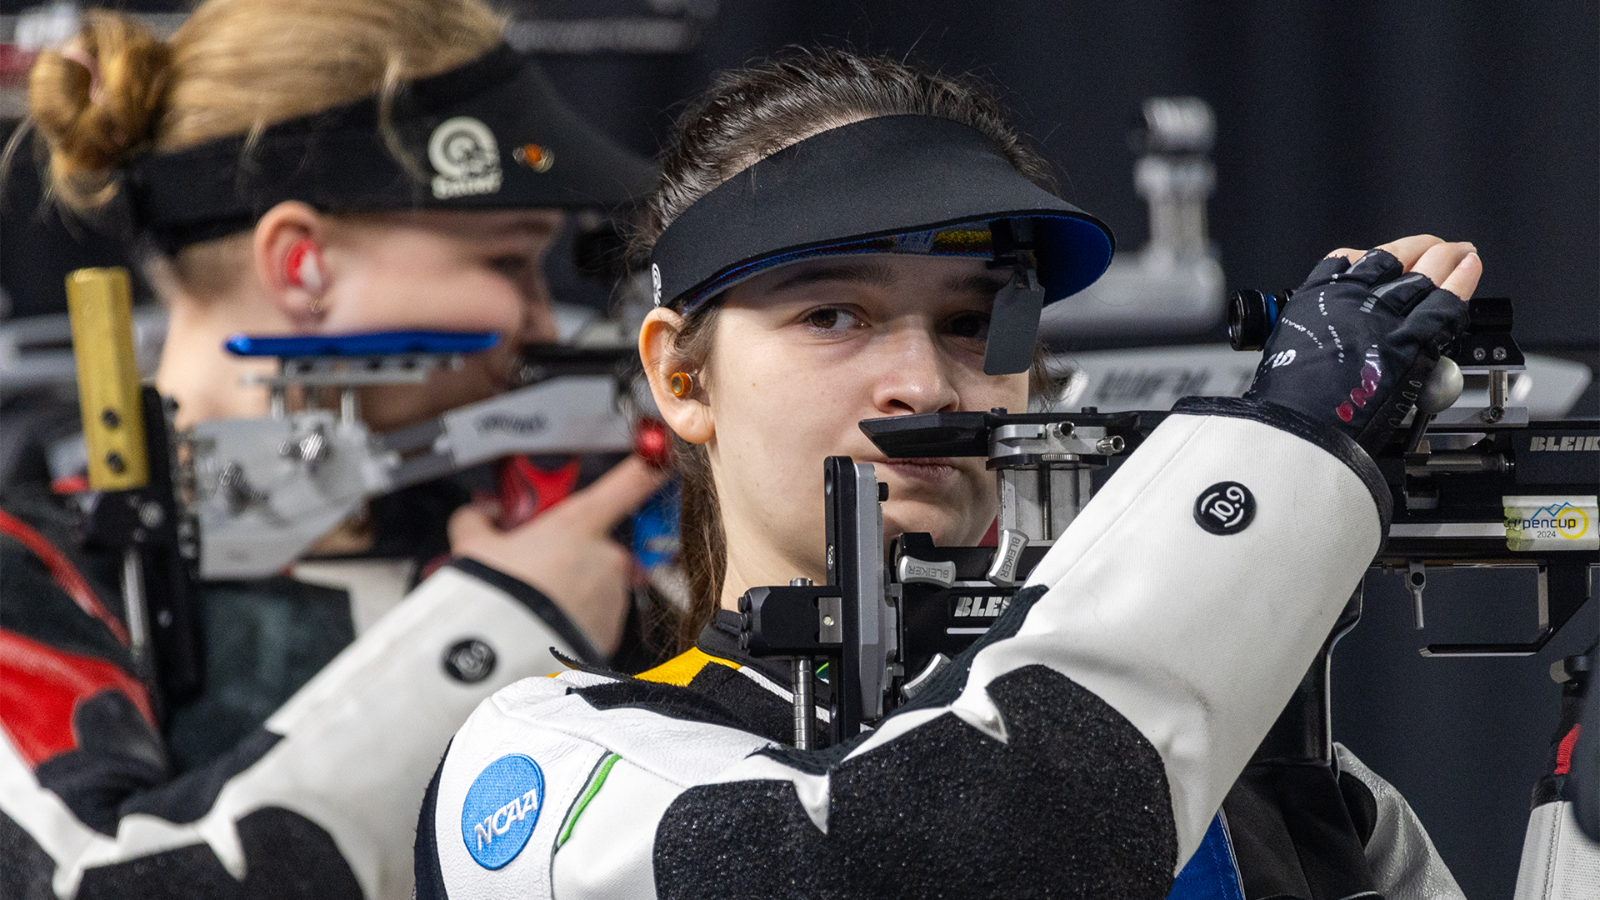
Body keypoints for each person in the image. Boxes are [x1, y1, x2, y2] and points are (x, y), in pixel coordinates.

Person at [416, 49, 1479, 899]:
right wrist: (1262, 500)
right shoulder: (544, 769)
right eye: (834, 315)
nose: (923, 385)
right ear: (680, 376)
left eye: (974, 322)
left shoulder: (1238, 776)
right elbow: (923, 856)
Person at [0, 2, 668, 897]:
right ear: (302, 267)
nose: (539, 324)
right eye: (509, 263)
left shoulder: (520, 530)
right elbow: (99, 882)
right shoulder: (37, 567)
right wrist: (498, 630)